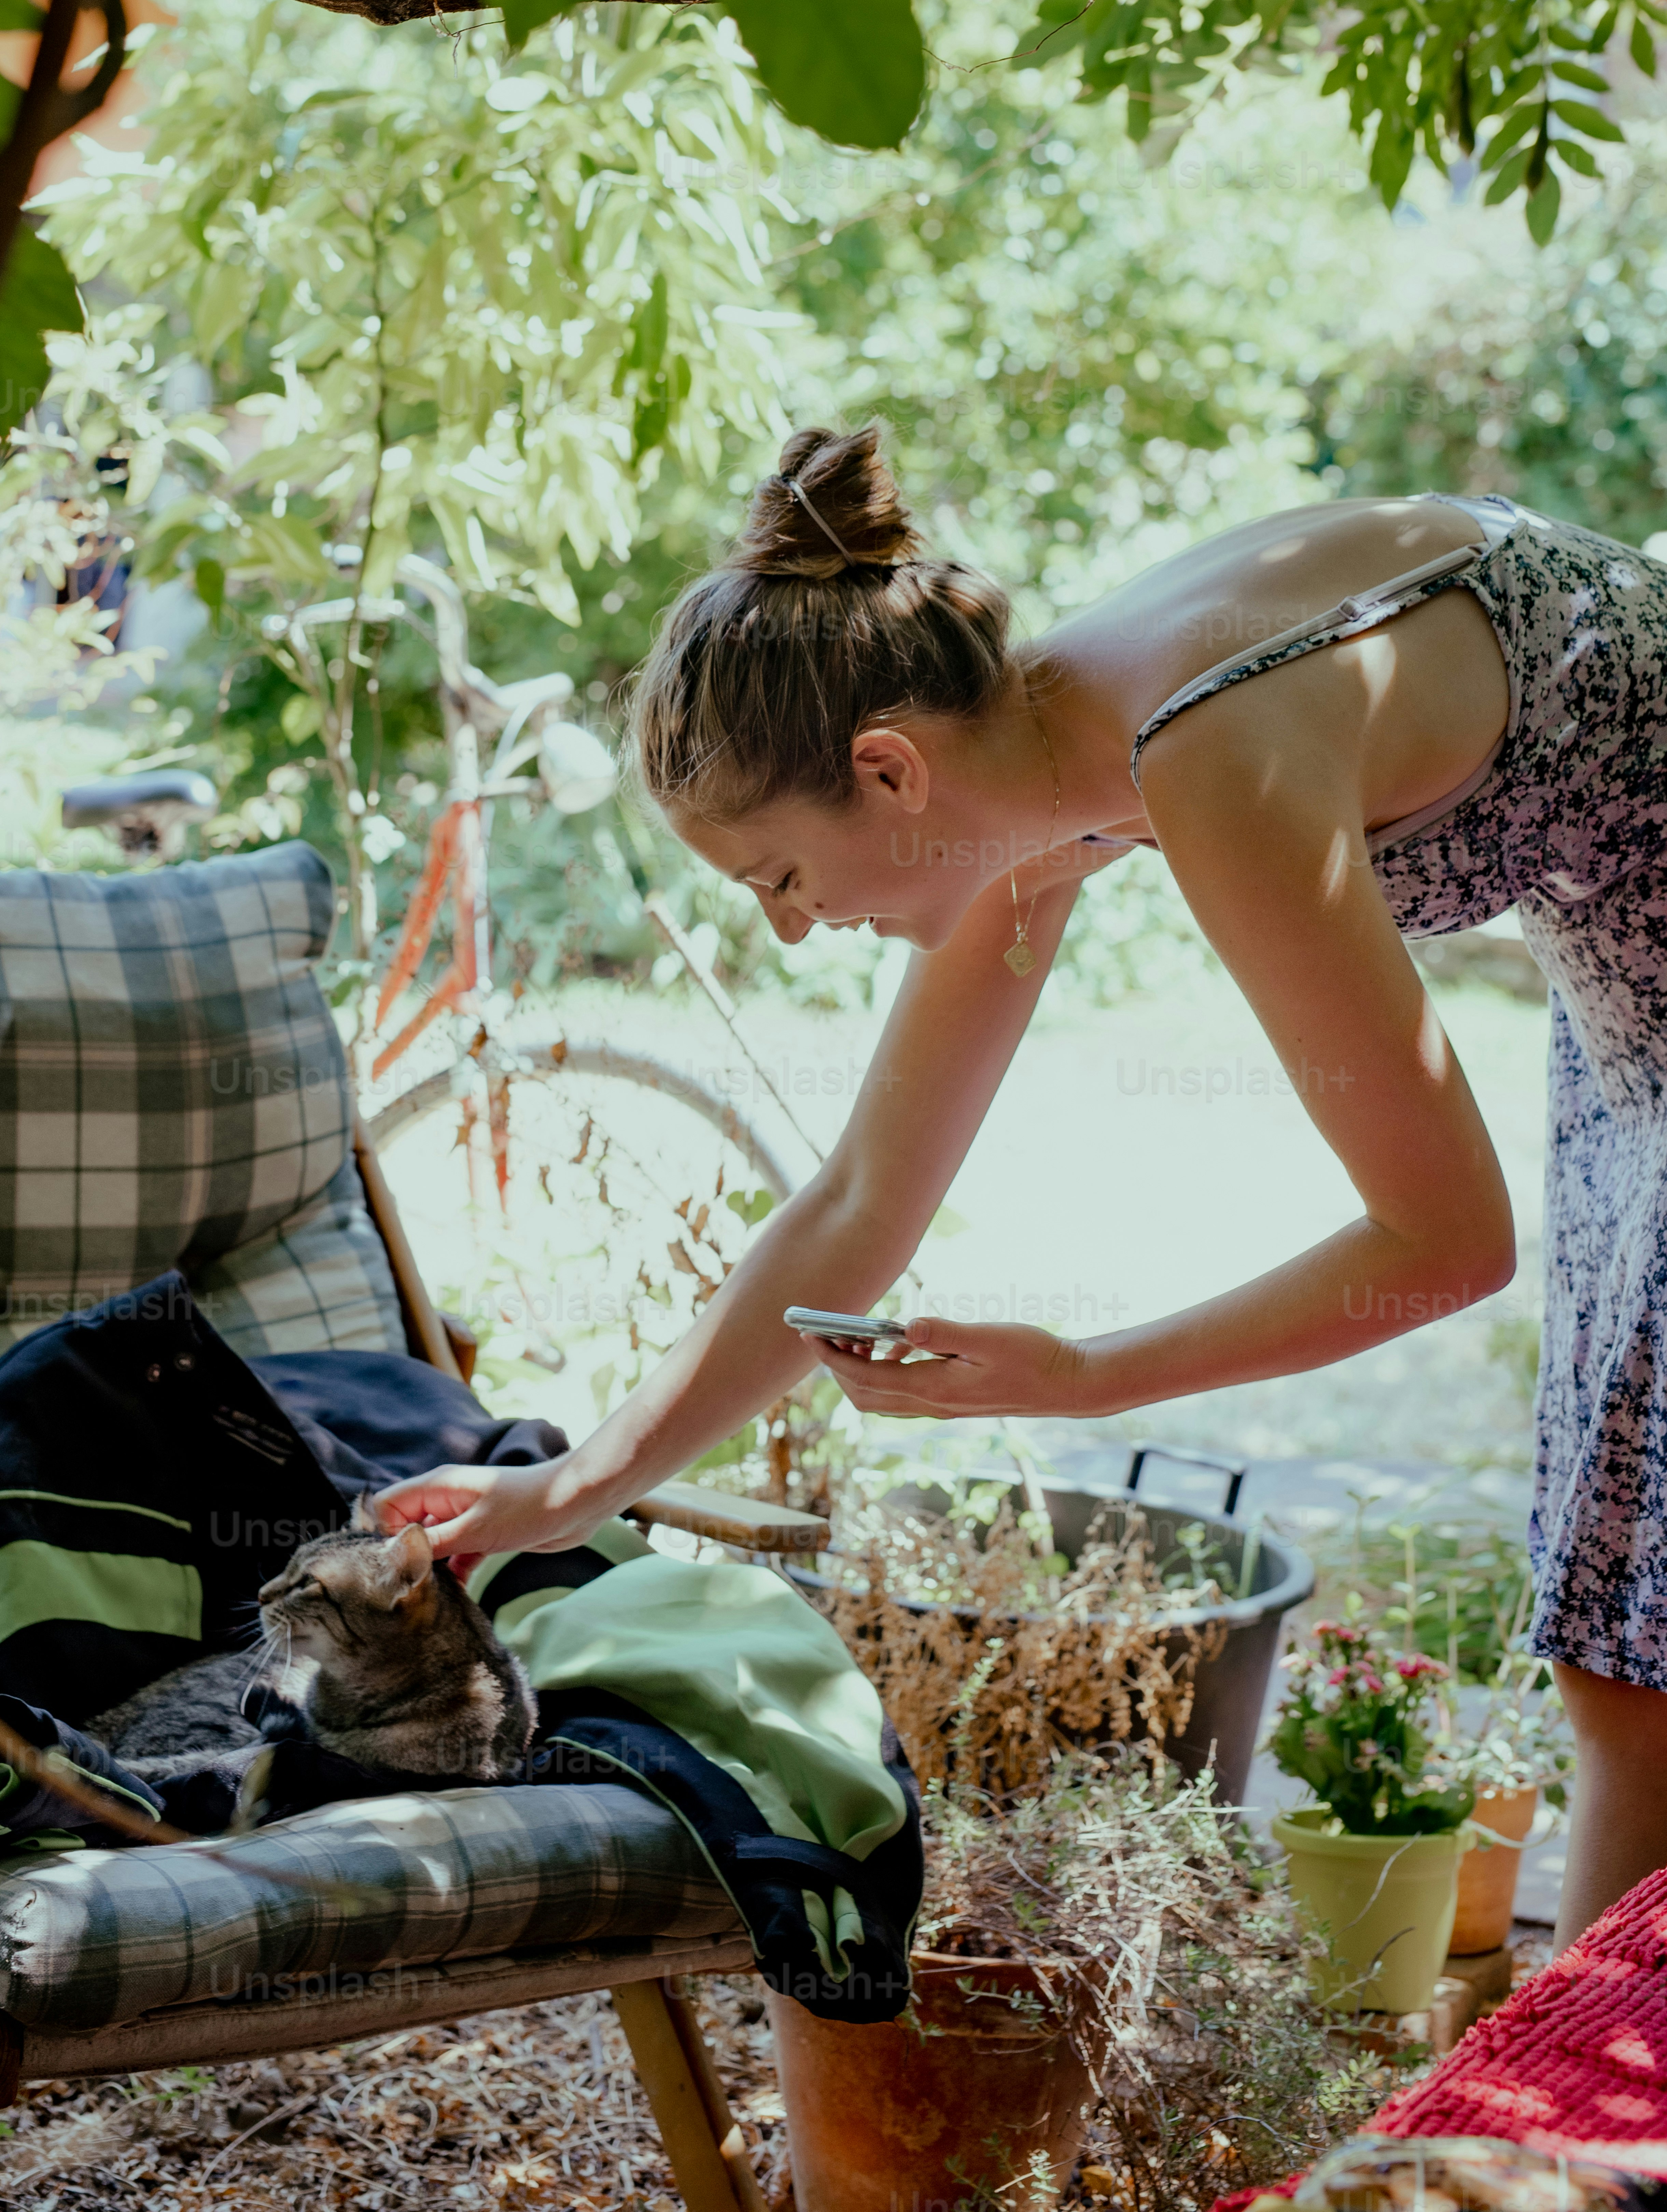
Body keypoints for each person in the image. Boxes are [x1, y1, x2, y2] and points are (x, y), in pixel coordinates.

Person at [377, 424, 1667, 1946]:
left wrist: (1081, 1378)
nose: (792, 928)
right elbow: (863, 1197)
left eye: (780, 877)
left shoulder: (1210, 753)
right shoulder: (1035, 759)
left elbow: (1442, 1243)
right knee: (1622, 1659)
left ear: (887, 769)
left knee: (1634, 1675)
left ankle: (1587, 2086)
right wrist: (570, 1489)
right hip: (1626, 1011)